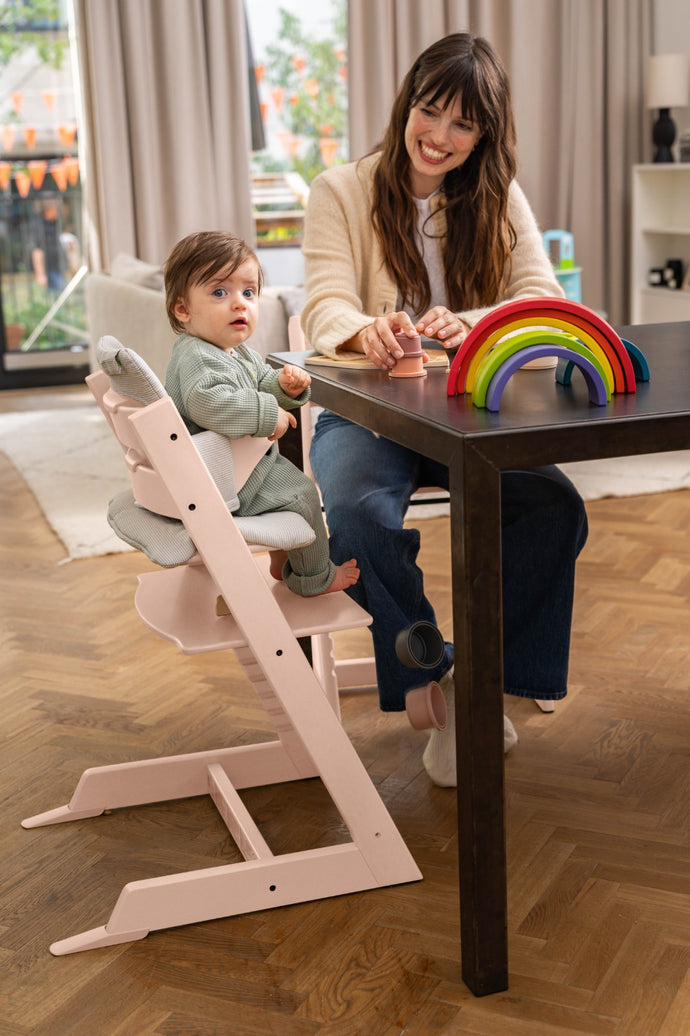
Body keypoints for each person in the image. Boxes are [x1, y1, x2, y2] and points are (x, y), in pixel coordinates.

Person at [301, 33, 588, 786]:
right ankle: (438, 668)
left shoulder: (498, 194)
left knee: (554, 506)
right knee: (356, 520)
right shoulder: (340, 188)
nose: (440, 137)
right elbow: (323, 300)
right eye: (430, 112)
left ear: (484, 134)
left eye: (464, 125)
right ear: (407, 105)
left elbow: (543, 300)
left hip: (465, 409)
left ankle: (476, 688)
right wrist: (365, 329)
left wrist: (480, 320)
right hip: (366, 410)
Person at [163, 230, 359, 597]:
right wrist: (270, 413)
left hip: (235, 467)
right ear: (183, 309)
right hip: (223, 477)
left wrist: (283, 388)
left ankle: (283, 558)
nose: (240, 304)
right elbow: (209, 401)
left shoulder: (233, 351)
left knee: (286, 481)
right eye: (220, 292)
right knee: (301, 493)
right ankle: (313, 577)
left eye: (248, 292)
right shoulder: (197, 357)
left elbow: (259, 382)